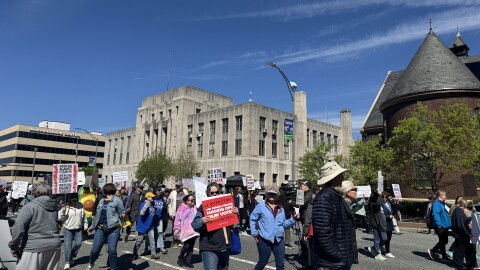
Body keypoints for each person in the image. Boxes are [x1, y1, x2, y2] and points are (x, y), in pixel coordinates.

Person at [9, 182, 61, 270]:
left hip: (34, 247)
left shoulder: (30, 206)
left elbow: (18, 227)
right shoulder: (54, 206)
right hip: (54, 245)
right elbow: (58, 224)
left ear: (34, 193)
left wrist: (14, 244)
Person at [312, 161, 354, 269]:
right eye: (340, 175)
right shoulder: (324, 198)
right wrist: (337, 254)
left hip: (338, 262)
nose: (343, 177)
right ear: (334, 178)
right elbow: (322, 232)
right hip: (330, 263)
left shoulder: (335, 196)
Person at [192, 182, 239, 270]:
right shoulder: (203, 207)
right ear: (207, 194)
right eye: (212, 193)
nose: (214, 194)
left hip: (225, 247)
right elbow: (194, 225)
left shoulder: (227, 204)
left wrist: (236, 214)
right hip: (209, 248)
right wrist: (202, 221)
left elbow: (235, 225)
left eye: (216, 192)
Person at [250, 187, 299, 270]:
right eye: (269, 193)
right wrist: (254, 233)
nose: (271, 195)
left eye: (273, 194)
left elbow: (283, 224)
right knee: (262, 262)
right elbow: (252, 219)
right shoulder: (261, 206)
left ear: (277, 196)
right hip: (265, 239)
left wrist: (293, 219)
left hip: (278, 240)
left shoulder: (281, 209)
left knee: (280, 265)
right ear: (266, 195)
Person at [86, 183, 125, 270]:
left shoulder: (117, 200)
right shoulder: (101, 201)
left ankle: (113, 268)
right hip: (100, 229)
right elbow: (97, 216)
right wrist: (92, 227)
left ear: (106, 190)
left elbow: (121, 214)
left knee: (112, 250)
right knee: (95, 250)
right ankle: (91, 263)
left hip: (113, 229)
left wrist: (122, 215)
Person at [58, 193, 88, 270]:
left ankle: (71, 256)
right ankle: (67, 262)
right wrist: (63, 212)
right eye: (73, 199)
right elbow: (59, 218)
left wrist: (85, 224)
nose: (75, 201)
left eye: (76, 199)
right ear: (70, 199)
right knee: (68, 246)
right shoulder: (65, 206)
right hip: (68, 229)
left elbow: (83, 215)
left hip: (78, 229)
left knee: (78, 243)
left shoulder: (80, 205)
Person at [132, 192, 161, 260]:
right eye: (151, 197)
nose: (153, 198)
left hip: (150, 226)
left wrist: (156, 208)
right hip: (143, 226)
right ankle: (134, 253)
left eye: (153, 197)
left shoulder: (151, 205)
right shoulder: (144, 204)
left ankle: (153, 254)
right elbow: (142, 213)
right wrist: (146, 206)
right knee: (139, 241)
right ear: (147, 197)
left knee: (152, 240)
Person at [174, 194, 200, 268]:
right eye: (191, 200)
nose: (193, 201)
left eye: (194, 200)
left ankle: (188, 261)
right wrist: (176, 228)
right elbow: (177, 219)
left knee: (191, 246)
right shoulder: (181, 208)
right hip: (185, 230)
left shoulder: (196, 208)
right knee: (187, 245)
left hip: (194, 230)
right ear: (186, 201)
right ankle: (181, 257)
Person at [450, 199, 476, 269]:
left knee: (461, 249)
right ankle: (458, 264)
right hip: (460, 234)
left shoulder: (458, 211)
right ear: (464, 204)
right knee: (459, 250)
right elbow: (460, 224)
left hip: (460, 233)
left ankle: (459, 263)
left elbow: (462, 222)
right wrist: (467, 232)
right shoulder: (459, 211)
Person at [427, 190, 452, 261]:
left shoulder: (443, 203)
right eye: (444, 195)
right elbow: (436, 215)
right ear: (440, 195)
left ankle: (444, 256)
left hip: (445, 225)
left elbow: (445, 214)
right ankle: (433, 250)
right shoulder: (436, 204)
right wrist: (439, 225)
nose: (446, 196)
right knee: (444, 241)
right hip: (440, 226)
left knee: (443, 241)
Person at [340, 181, 359, 264]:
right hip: (343, 253)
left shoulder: (349, 205)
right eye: (354, 189)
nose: (356, 192)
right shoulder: (341, 207)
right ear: (347, 192)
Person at [367, 191, 388, 261]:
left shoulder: (380, 204)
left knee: (384, 238)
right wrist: (378, 195)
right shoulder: (373, 205)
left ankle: (374, 248)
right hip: (376, 224)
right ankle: (377, 253)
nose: (381, 198)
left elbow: (384, 208)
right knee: (377, 239)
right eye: (379, 197)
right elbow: (376, 215)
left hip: (382, 224)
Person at [168, 181, 188, 248]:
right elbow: (169, 204)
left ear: (181, 186)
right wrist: (171, 213)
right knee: (175, 228)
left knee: (183, 227)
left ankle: (181, 240)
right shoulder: (173, 193)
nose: (176, 187)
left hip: (184, 213)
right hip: (175, 213)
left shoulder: (185, 192)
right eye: (176, 186)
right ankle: (175, 241)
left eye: (178, 186)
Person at [299, 181, 313, 269]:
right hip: (303, 217)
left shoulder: (309, 194)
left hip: (307, 219)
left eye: (302, 185)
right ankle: (305, 257)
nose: (300, 187)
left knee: (306, 239)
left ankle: (309, 261)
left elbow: (301, 202)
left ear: (307, 186)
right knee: (303, 240)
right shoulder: (303, 193)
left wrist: (291, 202)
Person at [278, 181, 294, 248]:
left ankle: (287, 242)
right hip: (282, 212)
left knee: (287, 228)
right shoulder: (280, 193)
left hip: (286, 212)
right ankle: (280, 241)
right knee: (281, 227)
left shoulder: (287, 193)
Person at [153, 187, 168, 254]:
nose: (159, 191)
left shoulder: (163, 198)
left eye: (160, 190)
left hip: (160, 218)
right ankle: (149, 247)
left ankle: (161, 247)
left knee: (160, 232)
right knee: (151, 233)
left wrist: (166, 202)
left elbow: (165, 206)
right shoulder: (152, 198)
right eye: (158, 190)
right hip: (153, 218)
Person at [381, 192, 396, 258]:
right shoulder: (380, 204)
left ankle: (387, 251)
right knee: (385, 238)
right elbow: (380, 215)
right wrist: (388, 216)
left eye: (386, 197)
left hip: (390, 222)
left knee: (389, 237)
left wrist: (397, 203)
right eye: (383, 197)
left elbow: (395, 209)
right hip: (384, 223)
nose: (384, 198)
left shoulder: (389, 203)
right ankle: (377, 247)